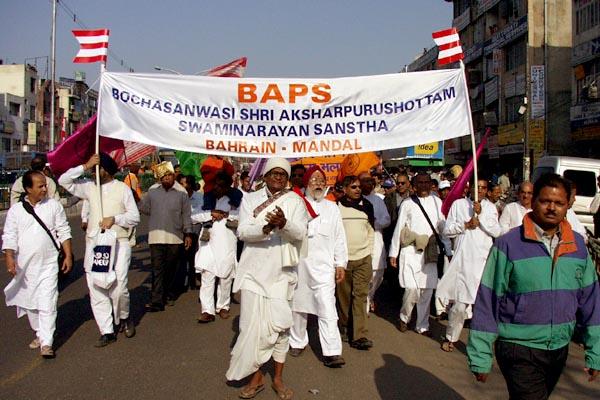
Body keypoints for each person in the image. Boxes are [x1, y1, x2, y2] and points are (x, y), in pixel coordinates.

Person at [467, 174, 600, 398]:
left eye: (559, 203)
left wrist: (595, 351)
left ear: (568, 205)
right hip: (518, 348)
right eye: (545, 201)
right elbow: (488, 299)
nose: (552, 208)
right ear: (533, 201)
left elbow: (591, 302)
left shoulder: (577, 246)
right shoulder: (508, 244)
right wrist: (480, 353)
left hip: (558, 348)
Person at [226, 158, 308, 400]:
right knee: (250, 327)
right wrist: (265, 229)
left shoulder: (295, 201)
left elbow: (301, 233)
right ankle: (256, 376)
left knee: (280, 327)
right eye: (274, 173)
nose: (278, 178)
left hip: (282, 273)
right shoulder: (251, 199)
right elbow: (241, 231)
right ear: (265, 176)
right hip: (254, 271)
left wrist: (284, 224)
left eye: (283, 174)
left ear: (288, 178)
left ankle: (278, 378)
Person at [59, 153, 140, 347]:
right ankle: (107, 330)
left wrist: (115, 219)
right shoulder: (89, 188)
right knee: (96, 288)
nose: (95, 171)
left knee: (119, 286)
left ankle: (124, 316)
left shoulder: (122, 189)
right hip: (96, 245)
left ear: (106, 170)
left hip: (119, 243)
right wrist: (85, 166)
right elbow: (63, 180)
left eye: (98, 167)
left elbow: (134, 217)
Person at [3, 170, 73, 358]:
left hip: (49, 264)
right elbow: (10, 235)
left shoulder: (54, 206)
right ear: (28, 189)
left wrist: (68, 255)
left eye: (45, 184)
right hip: (25, 267)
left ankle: (47, 343)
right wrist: (9, 257)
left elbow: (63, 231)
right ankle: (40, 334)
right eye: (40, 186)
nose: (45, 188)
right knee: (30, 303)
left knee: (48, 302)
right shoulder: (16, 211)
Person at [289, 166, 348, 368]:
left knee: (327, 307)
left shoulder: (332, 207)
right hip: (300, 265)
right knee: (298, 306)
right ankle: (297, 341)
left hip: (324, 268)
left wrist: (340, 263)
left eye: (321, 180)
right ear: (306, 183)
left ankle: (332, 352)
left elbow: (339, 237)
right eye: (313, 179)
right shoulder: (296, 203)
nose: (318, 183)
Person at [437, 179, 501, 352]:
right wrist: (465, 224)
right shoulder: (458, 205)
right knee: (459, 306)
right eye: (476, 187)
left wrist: (481, 219)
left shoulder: (490, 208)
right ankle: (451, 337)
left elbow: (497, 231)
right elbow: (446, 229)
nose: (479, 190)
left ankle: (479, 346)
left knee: (482, 309)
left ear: (487, 191)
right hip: (463, 264)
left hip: (483, 265)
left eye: (483, 188)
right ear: (470, 188)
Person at [389, 173, 449, 336]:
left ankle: (422, 325)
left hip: (429, 253)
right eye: (420, 183)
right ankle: (404, 317)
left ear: (431, 184)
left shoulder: (437, 202)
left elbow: (442, 228)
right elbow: (399, 228)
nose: (423, 186)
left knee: (427, 291)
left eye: (426, 182)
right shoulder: (408, 204)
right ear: (414, 186)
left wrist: (448, 250)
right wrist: (393, 253)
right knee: (412, 290)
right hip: (410, 251)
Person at [139, 161, 192, 312]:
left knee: (170, 268)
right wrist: (137, 199)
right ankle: (157, 301)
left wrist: (188, 233)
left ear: (173, 175)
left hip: (175, 237)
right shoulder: (153, 190)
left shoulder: (182, 192)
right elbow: (146, 209)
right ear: (159, 178)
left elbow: (186, 214)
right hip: (156, 237)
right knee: (157, 269)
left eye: (169, 175)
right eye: (164, 176)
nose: (167, 178)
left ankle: (167, 293)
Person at [193, 171, 241, 323]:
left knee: (225, 276)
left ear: (228, 186)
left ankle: (223, 306)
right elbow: (194, 216)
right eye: (216, 185)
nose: (218, 188)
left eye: (221, 186)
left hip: (227, 242)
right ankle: (207, 310)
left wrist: (226, 215)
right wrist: (211, 214)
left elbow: (243, 217)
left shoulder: (236, 199)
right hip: (207, 242)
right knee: (207, 275)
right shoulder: (206, 199)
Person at [337, 175, 375, 349]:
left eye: (359, 186)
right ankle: (345, 326)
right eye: (353, 187)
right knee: (344, 298)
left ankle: (359, 335)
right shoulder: (336, 208)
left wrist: (370, 253)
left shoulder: (367, 206)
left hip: (363, 258)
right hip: (343, 262)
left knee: (360, 296)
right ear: (344, 189)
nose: (358, 189)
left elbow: (371, 231)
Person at [358, 172, 390, 313]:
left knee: (378, 275)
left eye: (370, 180)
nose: (368, 183)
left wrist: (374, 223)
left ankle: (369, 297)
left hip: (376, 242)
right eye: (364, 181)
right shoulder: (355, 199)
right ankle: (363, 305)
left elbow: (386, 220)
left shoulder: (378, 200)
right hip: (360, 244)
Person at [178, 175, 202, 290]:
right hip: (181, 229)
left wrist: (188, 218)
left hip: (195, 228)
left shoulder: (199, 197)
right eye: (181, 184)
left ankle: (193, 280)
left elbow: (200, 213)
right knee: (182, 256)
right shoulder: (178, 197)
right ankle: (181, 282)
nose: (184, 186)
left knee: (193, 255)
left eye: (185, 183)